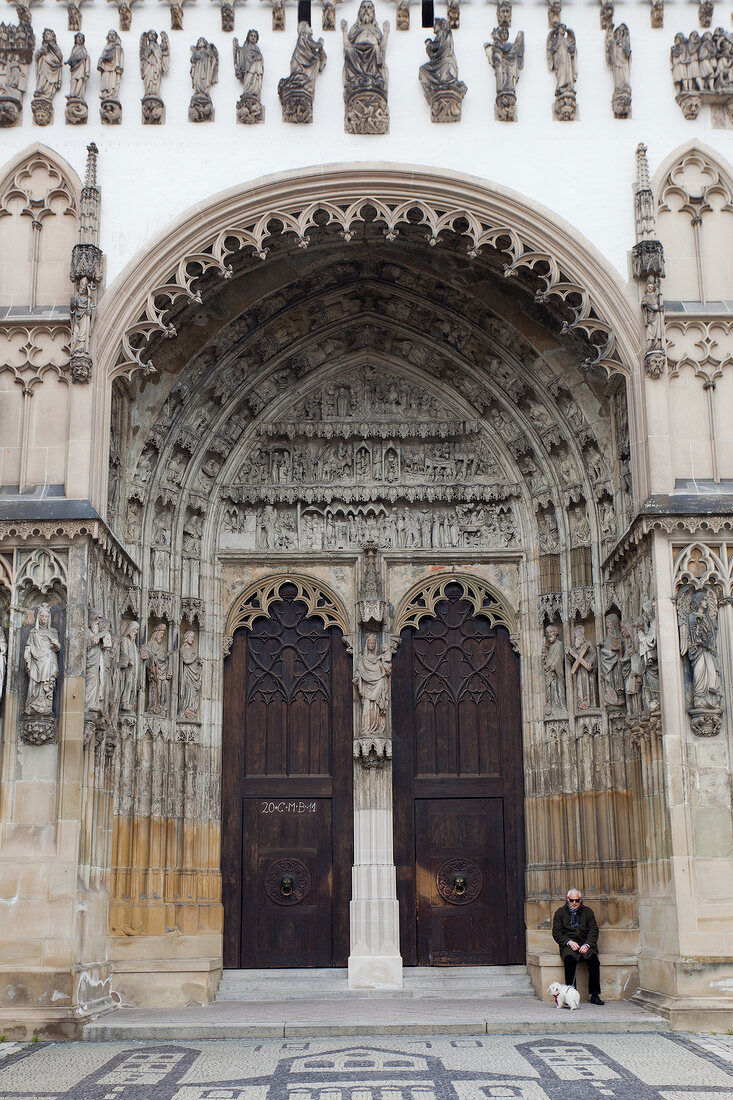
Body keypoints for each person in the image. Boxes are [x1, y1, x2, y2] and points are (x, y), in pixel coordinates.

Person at [552, 888, 604, 1005]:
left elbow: (594, 930)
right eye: (571, 900)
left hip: (585, 944)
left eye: (577, 900)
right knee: (569, 961)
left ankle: (595, 995)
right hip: (569, 945)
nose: (574, 903)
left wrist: (588, 944)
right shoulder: (560, 913)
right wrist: (569, 942)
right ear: (567, 900)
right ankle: (571, 995)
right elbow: (557, 932)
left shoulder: (588, 912)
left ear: (581, 900)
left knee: (594, 961)